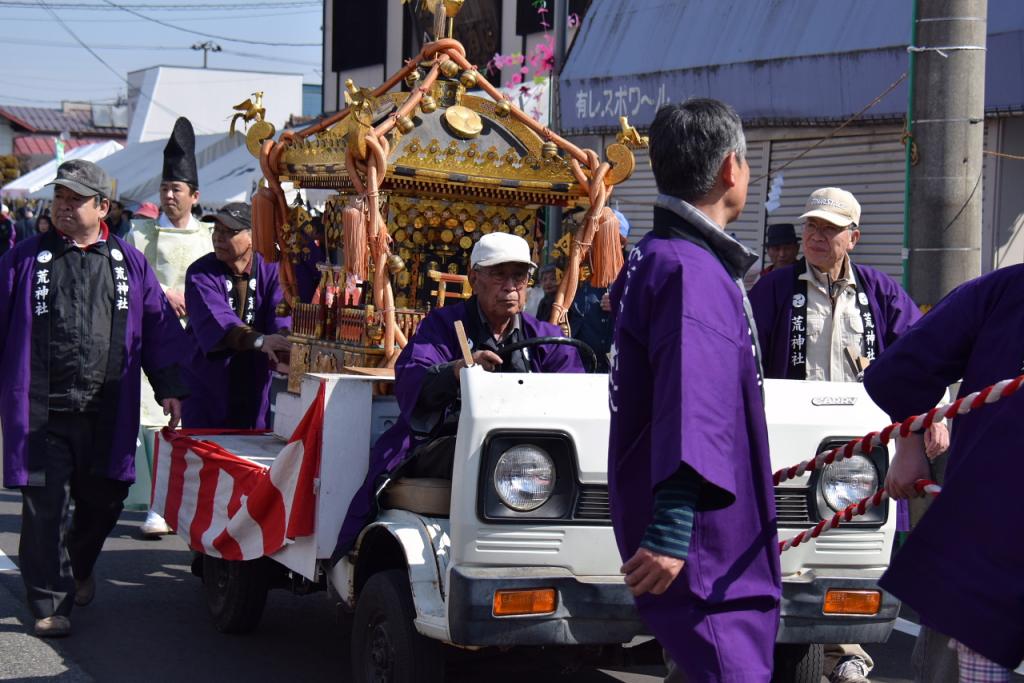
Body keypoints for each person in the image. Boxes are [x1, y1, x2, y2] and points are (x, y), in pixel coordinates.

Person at [607, 99, 781, 682]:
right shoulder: (690, 269)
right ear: (731, 168)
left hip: (689, 525)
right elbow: (692, 403)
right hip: (704, 536)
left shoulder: (656, 255)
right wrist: (672, 525)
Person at [748, 187, 948, 682]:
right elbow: (743, 359)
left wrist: (936, 414)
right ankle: (764, 639)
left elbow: (925, 353)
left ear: (853, 238)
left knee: (853, 549)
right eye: (811, 227)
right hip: (789, 446)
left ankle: (847, 650)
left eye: (830, 230)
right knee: (784, 544)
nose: (816, 237)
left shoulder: (880, 292)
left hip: (863, 452)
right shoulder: (774, 290)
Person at [0, 160, 188, 638]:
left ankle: (79, 565)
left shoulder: (129, 263)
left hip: (107, 410)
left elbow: (158, 329)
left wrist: (169, 386)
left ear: (102, 207)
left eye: (74, 199)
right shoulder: (23, 260)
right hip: (42, 411)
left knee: (105, 503)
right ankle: (50, 602)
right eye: (58, 198)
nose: (63, 207)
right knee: (44, 510)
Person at [333, 232, 584, 559]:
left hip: (532, 452)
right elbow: (412, 378)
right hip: (447, 440)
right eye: (499, 275)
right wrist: (456, 371)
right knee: (490, 450)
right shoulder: (442, 326)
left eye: (519, 277)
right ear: (474, 279)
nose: (511, 286)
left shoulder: (545, 337)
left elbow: (575, 389)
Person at [863, 264, 1024, 681]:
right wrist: (909, 443)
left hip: (983, 527)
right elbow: (906, 368)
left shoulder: (1004, 288)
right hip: (988, 522)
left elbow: (904, 367)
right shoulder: (1007, 290)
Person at [126, 117, 214, 537]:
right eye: (164, 188)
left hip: (195, 340)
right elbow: (132, 276)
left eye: (176, 189)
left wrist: (190, 299)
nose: (169, 195)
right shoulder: (141, 233)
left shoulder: (209, 235)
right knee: (151, 421)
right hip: (155, 335)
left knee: (191, 419)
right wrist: (164, 292)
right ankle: (155, 503)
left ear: (194, 195)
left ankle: (184, 500)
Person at [181, 202, 292, 429]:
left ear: (253, 236)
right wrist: (260, 340)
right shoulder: (200, 272)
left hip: (254, 381)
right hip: (207, 382)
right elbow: (216, 318)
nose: (218, 238)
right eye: (216, 230)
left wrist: (283, 341)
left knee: (250, 445)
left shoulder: (271, 268)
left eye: (228, 231)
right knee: (205, 447)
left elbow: (281, 310)